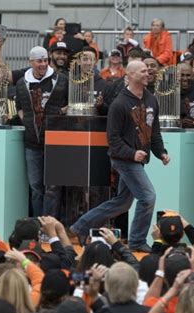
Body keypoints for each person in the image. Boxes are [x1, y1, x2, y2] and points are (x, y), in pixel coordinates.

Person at [70, 60, 170, 252]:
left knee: (122, 203)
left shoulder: (151, 100)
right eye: (142, 71)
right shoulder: (119, 103)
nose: (147, 73)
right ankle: (137, 241)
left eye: (147, 70)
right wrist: (132, 154)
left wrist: (161, 153)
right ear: (130, 76)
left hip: (137, 160)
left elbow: (154, 132)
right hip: (123, 160)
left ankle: (80, 227)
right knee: (148, 197)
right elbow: (113, 139)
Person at [15, 46, 68, 217]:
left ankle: (50, 224)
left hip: (55, 142)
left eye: (45, 60)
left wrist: (60, 112)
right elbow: (19, 107)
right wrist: (27, 120)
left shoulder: (61, 80)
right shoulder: (22, 83)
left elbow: (70, 103)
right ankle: (38, 224)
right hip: (32, 142)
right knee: (35, 186)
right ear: (31, 62)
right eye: (39, 61)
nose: (43, 64)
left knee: (53, 186)